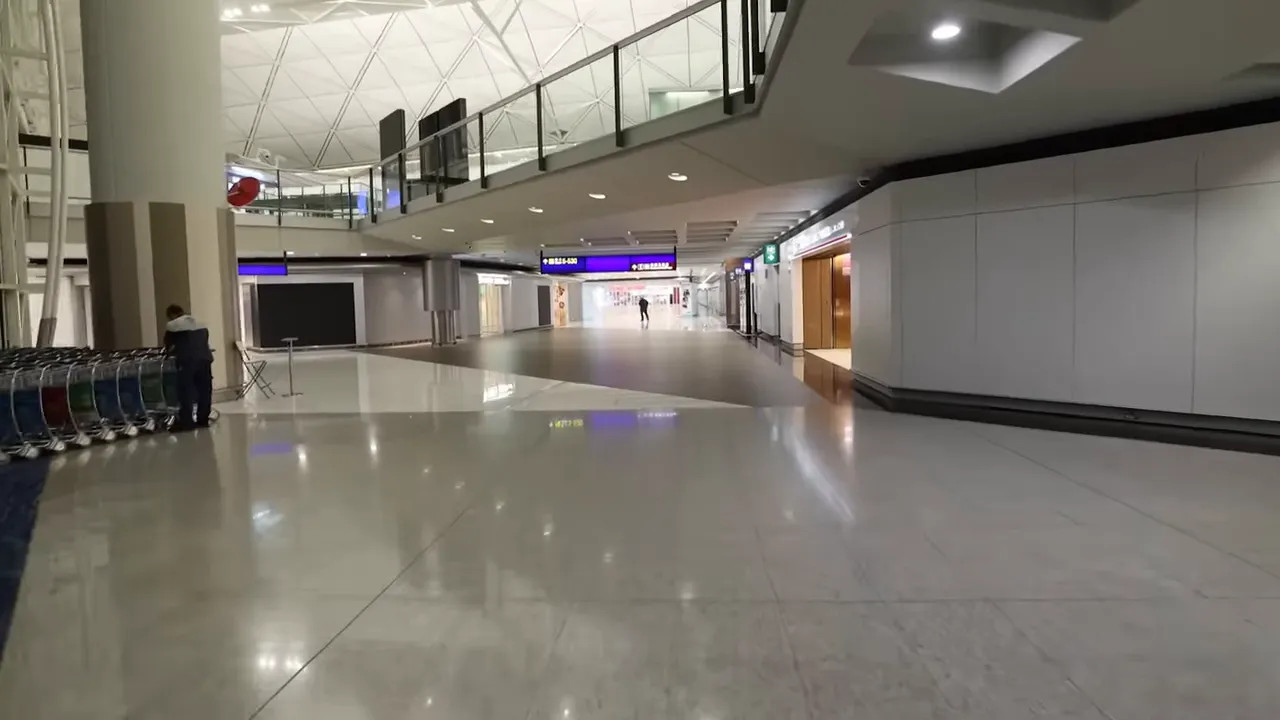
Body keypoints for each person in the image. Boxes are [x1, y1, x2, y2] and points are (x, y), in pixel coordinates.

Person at [163, 304, 214, 431]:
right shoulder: (199, 322)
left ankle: (187, 422)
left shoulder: (173, 325)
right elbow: (205, 340)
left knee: (186, 391)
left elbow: (169, 345)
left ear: (171, 315)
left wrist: (169, 353)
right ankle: (203, 419)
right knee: (204, 391)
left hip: (187, 361)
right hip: (205, 359)